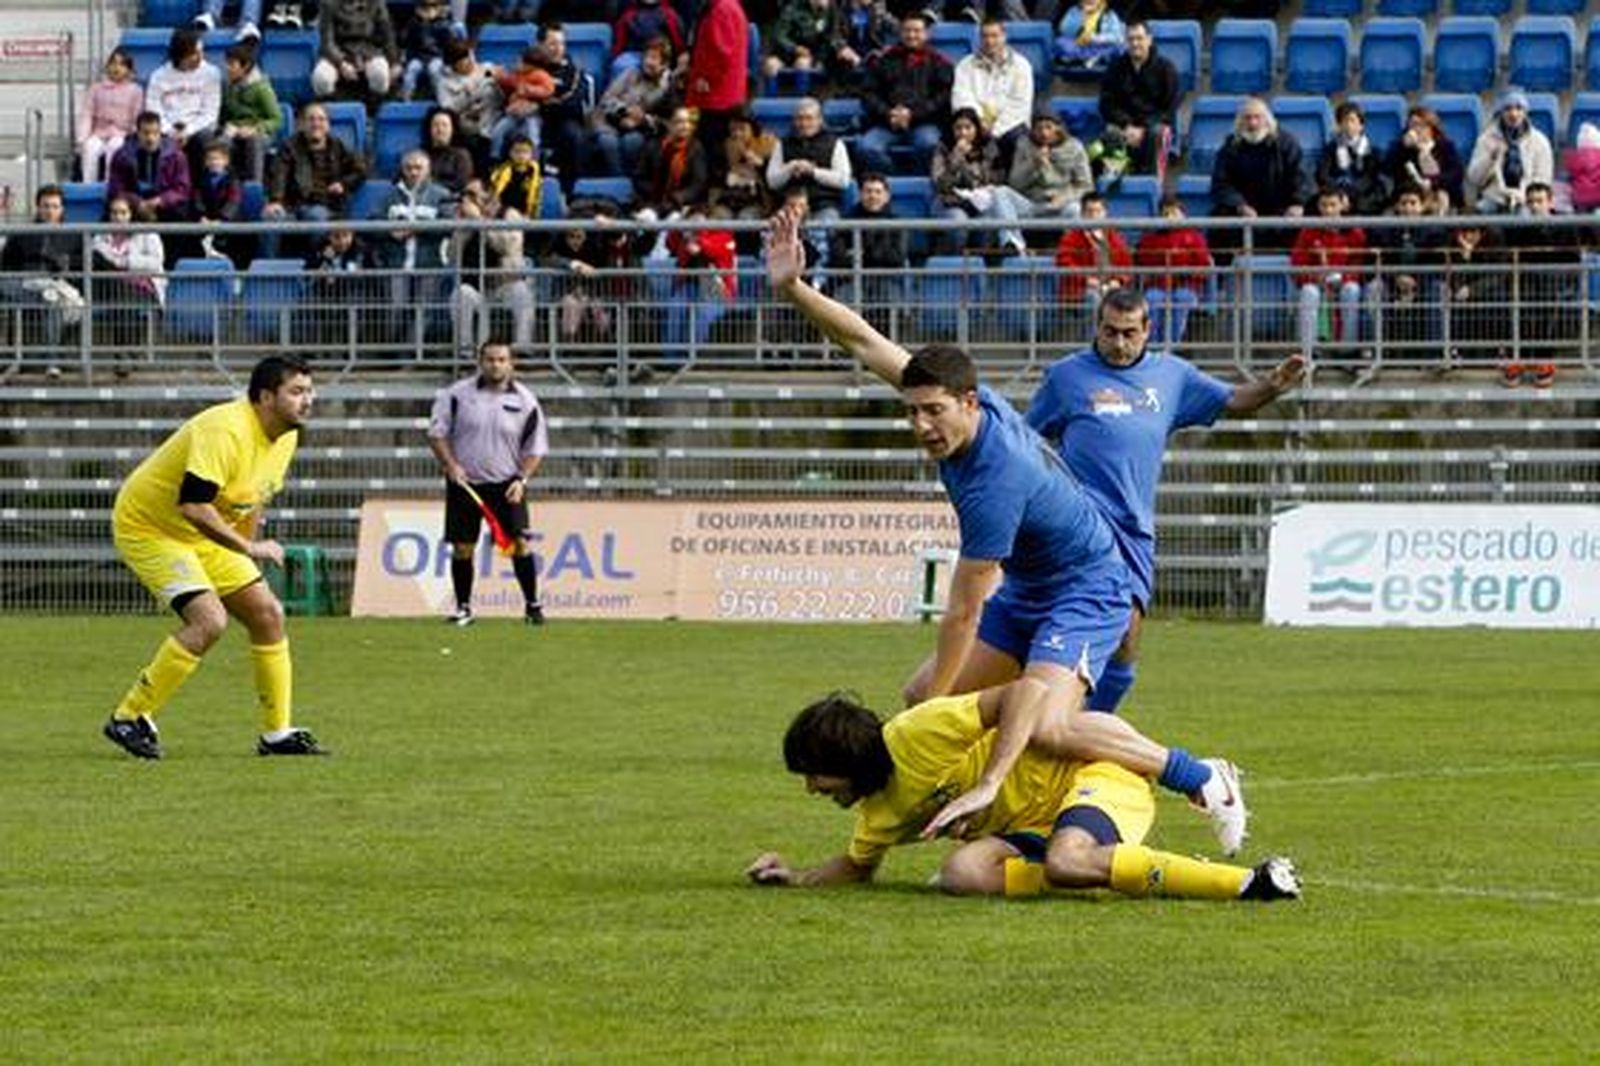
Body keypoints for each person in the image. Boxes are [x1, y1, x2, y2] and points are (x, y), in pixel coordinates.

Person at [766, 207, 1251, 854]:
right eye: (913, 413)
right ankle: (1003, 805)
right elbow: (865, 342)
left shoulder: (996, 479)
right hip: (1032, 589)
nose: (922, 427)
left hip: (1088, 587)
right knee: (921, 691)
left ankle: (1203, 776)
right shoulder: (962, 397)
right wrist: (794, 289)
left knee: (1045, 724)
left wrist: (923, 734)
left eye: (933, 413)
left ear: (969, 403)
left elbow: (963, 611)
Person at [747, 681, 1301, 901]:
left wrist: (989, 783)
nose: (811, 789)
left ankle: (1253, 882)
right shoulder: (877, 815)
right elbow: (856, 867)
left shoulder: (918, 731)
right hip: (1033, 828)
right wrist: (793, 876)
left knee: (1066, 860)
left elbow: (1025, 691)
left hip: (1093, 777)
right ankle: (1110, 866)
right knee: (961, 875)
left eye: (815, 774)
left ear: (846, 761)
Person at [1025, 287, 1303, 715]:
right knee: (1073, 617)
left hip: (1132, 526)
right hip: (1077, 520)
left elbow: (1233, 400)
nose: (1119, 343)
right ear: (1096, 328)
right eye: (1110, 332)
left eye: (1129, 333)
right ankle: (1053, 718)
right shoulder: (1066, 377)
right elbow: (1028, 439)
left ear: (1147, 330)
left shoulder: (1172, 376)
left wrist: (1272, 386)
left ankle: (1086, 724)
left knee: (1128, 637)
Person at [102, 355, 327, 759]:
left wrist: (245, 550)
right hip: (151, 527)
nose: (308, 400)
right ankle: (129, 715)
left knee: (268, 614)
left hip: (204, 531)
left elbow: (255, 497)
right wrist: (249, 548)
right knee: (210, 620)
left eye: (310, 391)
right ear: (265, 397)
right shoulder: (225, 429)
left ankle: (277, 734)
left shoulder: (286, 435)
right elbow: (192, 505)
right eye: (297, 392)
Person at [426, 341, 549, 626]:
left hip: (506, 485)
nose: (496, 364)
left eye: (501, 359)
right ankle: (464, 608)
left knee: (518, 544)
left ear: (511, 363)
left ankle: (532, 606)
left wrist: (522, 479)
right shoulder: (457, 395)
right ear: (480, 362)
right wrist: (451, 465)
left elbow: (536, 447)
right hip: (465, 483)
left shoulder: (526, 401)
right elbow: (436, 433)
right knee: (463, 547)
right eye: (490, 359)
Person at [966, 109, 1092, 254]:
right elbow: (1015, 183)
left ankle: (1070, 251)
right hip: (1031, 204)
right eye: (1039, 128)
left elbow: (1085, 185)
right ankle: (1013, 244)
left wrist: (1065, 198)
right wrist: (1034, 165)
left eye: (1048, 127)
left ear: (1058, 128)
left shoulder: (1074, 147)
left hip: (1060, 205)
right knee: (1000, 192)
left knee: (1074, 208)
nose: (1044, 133)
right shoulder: (1024, 144)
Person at [262, 102, 369, 259]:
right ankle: (268, 270)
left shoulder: (338, 146)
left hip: (325, 206)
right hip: (292, 206)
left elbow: (361, 170)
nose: (316, 124)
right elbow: (279, 174)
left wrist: (344, 184)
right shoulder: (289, 146)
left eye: (321, 119)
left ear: (328, 125)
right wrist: (275, 201)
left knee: (315, 216)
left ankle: (319, 267)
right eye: (311, 119)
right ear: (302, 124)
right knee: (270, 217)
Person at [1210, 97, 1311, 257]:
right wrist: (1240, 204)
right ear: (1240, 121)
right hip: (1243, 211)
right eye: (1248, 118)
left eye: (1258, 117)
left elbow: (1300, 176)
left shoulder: (1286, 143)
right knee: (1219, 222)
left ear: (1267, 119)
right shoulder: (1231, 146)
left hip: (1280, 210)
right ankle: (1225, 278)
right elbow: (1221, 183)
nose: (1253, 123)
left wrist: (1297, 203)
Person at [856, 14, 952, 177]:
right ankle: (891, 182)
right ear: (900, 33)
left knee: (930, 145)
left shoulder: (939, 62)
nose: (911, 35)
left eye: (917, 31)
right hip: (887, 123)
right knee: (866, 147)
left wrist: (912, 114)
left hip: (924, 123)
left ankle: (919, 184)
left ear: (926, 34)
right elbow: (868, 93)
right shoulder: (884, 60)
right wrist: (888, 113)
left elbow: (943, 96)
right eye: (907, 30)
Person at [1502, 181, 1576, 389]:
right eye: (1531, 202)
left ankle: (1544, 359)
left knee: (1546, 298)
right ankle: (1521, 357)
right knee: (1521, 302)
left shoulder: (1565, 225)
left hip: (1557, 280)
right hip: (1529, 281)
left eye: (1539, 201)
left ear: (1550, 202)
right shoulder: (1522, 228)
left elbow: (1573, 259)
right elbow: (1514, 255)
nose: (1535, 206)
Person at [765, 97, 851, 273]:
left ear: (819, 119)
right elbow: (772, 181)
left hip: (823, 205)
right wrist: (789, 168)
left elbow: (843, 180)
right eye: (800, 118)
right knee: (771, 236)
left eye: (809, 118)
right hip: (789, 207)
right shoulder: (783, 144)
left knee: (823, 236)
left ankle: (820, 283)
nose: (804, 123)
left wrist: (814, 172)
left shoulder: (835, 144)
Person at [1290, 185, 1368, 364]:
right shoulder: (1308, 231)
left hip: (1344, 281)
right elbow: (1298, 264)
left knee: (1352, 290)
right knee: (1309, 292)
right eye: (1324, 205)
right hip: (1317, 282)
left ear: (1342, 206)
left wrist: (1343, 278)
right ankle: (1310, 352)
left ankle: (1347, 350)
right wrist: (1317, 277)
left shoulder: (1355, 232)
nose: (1328, 210)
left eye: (1333, 205)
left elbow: (1360, 264)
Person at [91, 194, 166, 376]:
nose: (118, 217)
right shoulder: (100, 235)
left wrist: (126, 262)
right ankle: (126, 354)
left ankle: (123, 354)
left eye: (123, 212)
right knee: (118, 294)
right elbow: (96, 259)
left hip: (143, 287)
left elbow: (156, 262)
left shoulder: (147, 234)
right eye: (114, 212)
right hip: (110, 287)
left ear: (132, 214)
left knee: (124, 301)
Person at [1096, 20, 1178, 180]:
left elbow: (1169, 108)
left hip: (1153, 127)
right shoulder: (1115, 68)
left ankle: (1152, 186)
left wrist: (1144, 128)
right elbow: (1106, 103)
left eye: (1139, 38)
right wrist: (1127, 125)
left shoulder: (1166, 68)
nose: (1135, 43)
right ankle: (1115, 187)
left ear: (1149, 39)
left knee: (1158, 133)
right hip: (1124, 126)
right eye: (1131, 39)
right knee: (1111, 133)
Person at [950, 18, 1033, 166]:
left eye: (994, 36)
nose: (989, 41)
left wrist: (995, 130)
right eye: (985, 36)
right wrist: (978, 121)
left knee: (1018, 139)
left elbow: (1020, 105)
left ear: (1004, 36)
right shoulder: (965, 65)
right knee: (960, 133)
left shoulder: (1021, 65)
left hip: (1010, 126)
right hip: (975, 125)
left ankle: (1014, 185)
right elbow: (961, 97)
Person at [1134, 194, 1211, 347]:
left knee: (1182, 298)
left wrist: (1187, 272)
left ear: (1183, 215)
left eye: (1174, 213)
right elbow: (1142, 261)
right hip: (1158, 285)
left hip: (1187, 286)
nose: (1170, 217)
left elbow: (1204, 266)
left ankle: (1172, 346)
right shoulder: (1150, 238)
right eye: (1166, 214)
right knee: (1152, 299)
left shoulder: (1195, 237)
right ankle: (1154, 346)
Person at [591, 36, 674, 178]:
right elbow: (607, 99)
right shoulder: (631, 73)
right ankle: (618, 181)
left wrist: (642, 120)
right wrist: (624, 111)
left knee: (632, 142)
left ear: (664, 64)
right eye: (646, 57)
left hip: (641, 128)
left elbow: (665, 120)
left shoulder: (667, 87)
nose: (648, 62)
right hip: (609, 120)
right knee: (608, 142)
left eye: (654, 58)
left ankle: (631, 182)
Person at [144, 28, 223, 176]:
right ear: (181, 55)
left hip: (198, 127)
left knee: (203, 140)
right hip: (169, 127)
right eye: (194, 54)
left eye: (201, 51)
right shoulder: (158, 76)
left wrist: (188, 131)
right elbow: (153, 109)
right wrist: (170, 131)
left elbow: (211, 113)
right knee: (154, 139)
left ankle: (200, 191)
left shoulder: (212, 73)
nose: (200, 57)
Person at [682, 0, 749, 176]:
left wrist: (706, 77)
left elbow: (721, 52)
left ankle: (712, 191)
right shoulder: (728, 6)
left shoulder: (722, 9)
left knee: (712, 147)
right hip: (725, 91)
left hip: (716, 94)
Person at [930, 107, 1005, 255]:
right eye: (958, 128)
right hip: (949, 202)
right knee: (959, 222)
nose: (963, 133)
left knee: (989, 223)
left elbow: (999, 177)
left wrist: (986, 187)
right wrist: (956, 157)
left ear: (976, 129)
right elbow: (940, 184)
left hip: (981, 202)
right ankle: (955, 264)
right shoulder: (942, 149)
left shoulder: (989, 147)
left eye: (968, 127)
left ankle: (978, 266)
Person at [1466, 90, 1553, 215]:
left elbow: (1543, 179)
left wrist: (1521, 195)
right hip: (1494, 196)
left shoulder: (1540, 141)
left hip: (1526, 199)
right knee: (1479, 214)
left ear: (1525, 112)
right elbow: (1474, 178)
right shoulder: (1486, 139)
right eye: (1508, 109)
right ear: (1501, 112)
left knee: (1524, 215)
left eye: (1519, 108)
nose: (1513, 114)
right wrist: (1489, 159)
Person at [1053, 190, 1132, 320]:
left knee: (1123, 299)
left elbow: (1126, 264)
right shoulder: (1071, 238)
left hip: (1110, 287)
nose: (1094, 216)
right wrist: (1087, 280)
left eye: (1098, 211)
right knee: (1094, 298)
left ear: (1105, 213)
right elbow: (1064, 262)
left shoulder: (1114, 237)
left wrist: (1118, 280)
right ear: (1082, 214)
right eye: (1090, 211)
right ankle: (1095, 339)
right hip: (1081, 291)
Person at [107, 110, 193, 226]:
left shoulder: (176, 156)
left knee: (182, 213)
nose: (151, 138)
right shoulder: (122, 156)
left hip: (164, 204)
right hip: (133, 205)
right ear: (137, 133)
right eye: (146, 133)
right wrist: (137, 203)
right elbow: (116, 188)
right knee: (114, 212)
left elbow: (182, 189)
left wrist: (161, 200)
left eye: (155, 133)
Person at [218, 44, 283, 184]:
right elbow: (225, 115)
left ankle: (254, 186)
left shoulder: (261, 88)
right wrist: (226, 127)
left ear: (245, 66)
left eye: (232, 64)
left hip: (259, 132)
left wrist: (255, 129)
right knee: (220, 144)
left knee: (253, 141)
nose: (227, 68)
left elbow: (276, 119)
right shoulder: (228, 86)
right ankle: (222, 186)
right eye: (226, 63)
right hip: (235, 130)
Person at [77, 48, 143, 183]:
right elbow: (87, 114)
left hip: (122, 134)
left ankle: (110, 185)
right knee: (90, 148)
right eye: (113, 63)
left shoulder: (135, 90)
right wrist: (82, 138)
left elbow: (137, 116)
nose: (116, 68)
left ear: (129, 69)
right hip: (99, 132)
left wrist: (133, 136)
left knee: (114, 147)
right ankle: (88, 185)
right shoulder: (96, 88)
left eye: (122, 64)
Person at [1383, 105, 1463, 217]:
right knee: (1407, 203)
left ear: (1431, 128)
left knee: (1442, 197)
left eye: (1421, 125)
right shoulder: (1401, 146)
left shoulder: (1445, 146)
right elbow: (1387, 168)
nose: (1416, 129)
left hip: (1436, 193)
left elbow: (1456, 174)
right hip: (1410, 194)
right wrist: (1402, 146)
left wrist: (1432, 183)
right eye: (1412, 125)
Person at [313, 0, 398, 100]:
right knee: (321, 78)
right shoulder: (328, 4)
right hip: (337, 53)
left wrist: (394, 62)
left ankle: (371, 110)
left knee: (380, 73)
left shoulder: (377, 3)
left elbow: (387, 37)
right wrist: (341, 63)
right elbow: (327, 42)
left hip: (368, 51)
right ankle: (333, 109)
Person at [1316, 100, 1385, 217]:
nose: (1348, 125)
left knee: (1370, 203)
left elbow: (1370, 177)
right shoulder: (1330, 148)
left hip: (1362, 195)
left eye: (1352, 120)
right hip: (1335, 194)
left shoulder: (1372, 150)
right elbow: (1322, 175)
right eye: (1343, 121)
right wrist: (1340, 195)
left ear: (1361, 125)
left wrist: (1350, 195)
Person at [399, 0, 454, 101]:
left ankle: (441, 98)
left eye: (433, 7)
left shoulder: (443, 24)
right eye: (424, 7)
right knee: (411, 71)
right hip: (418, 57)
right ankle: (405, 99)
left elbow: (448, 44)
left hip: (436, 57)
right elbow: (404, 41)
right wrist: (419, 23)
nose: (428, 11)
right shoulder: (413, 23)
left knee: (434, 70)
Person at [1054, 0, 1125, 73]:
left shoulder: (1109, 14)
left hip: (1099, 46)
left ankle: (1096, 58)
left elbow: (1117, 36)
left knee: (1118, 47)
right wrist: (1081, 16)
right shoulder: (1074, 11)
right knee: (1061, 42)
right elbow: (1065, 30)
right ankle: (1078, 59)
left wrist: (1095, 38)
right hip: (1079, 46)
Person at [421, 106, 474, 193]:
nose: (440, 130)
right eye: (435, 125)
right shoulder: (421, 153)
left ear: (453, 129)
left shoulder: (461, 155)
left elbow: (461, 183)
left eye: (445, 125)